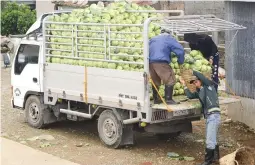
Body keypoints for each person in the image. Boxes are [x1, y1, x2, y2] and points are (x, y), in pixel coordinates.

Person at [179, 70, 221, 165]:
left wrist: (193, 71)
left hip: (214, 115)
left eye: (196, 81)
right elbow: (190, 95)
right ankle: (215, 158)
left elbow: (202, 77)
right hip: (210, 117)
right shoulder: (200, 91)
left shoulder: (209, 86)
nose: (195, 83)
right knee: (212, 138)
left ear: (201, 81)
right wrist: (184, 84)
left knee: (210, 139)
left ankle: (207, 161)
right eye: (194, 82)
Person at [149, 30, 185, 105]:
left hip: (151, 62)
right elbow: (180, 50)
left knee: (155, 81)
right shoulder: (169, 38)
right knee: (170, 79)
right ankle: (168, 100)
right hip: (161, 62)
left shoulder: (153, 39)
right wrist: (180, 61)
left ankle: (156, 99)